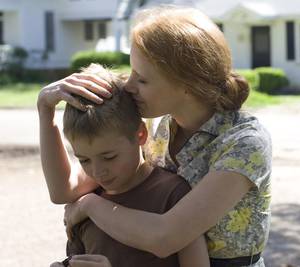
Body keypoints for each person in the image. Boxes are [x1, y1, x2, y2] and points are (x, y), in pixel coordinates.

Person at [37, 6, 272, 267]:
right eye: (132, 72)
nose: (129, 85)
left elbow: (165, 237)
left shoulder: (244, 143)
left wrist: (89, 205)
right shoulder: (157, 127)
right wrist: (45, 111)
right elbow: (64, 190)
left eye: (142, 79)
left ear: (186, 84)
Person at [46, 64, 209, 267]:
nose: (98, 172)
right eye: (84, 160)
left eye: (109, 157)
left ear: (140, 134)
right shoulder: (83, 204)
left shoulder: (174, 195)